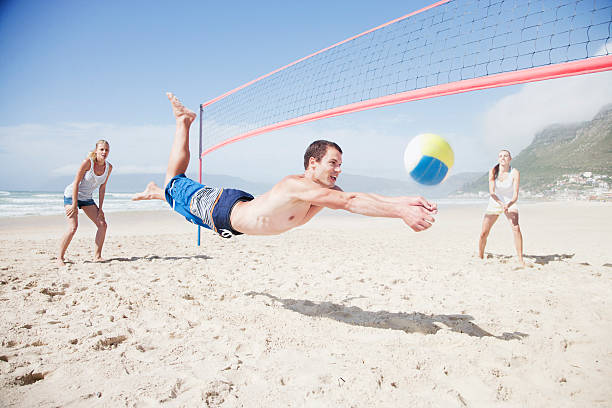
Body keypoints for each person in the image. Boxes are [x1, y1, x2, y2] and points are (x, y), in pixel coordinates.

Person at [132, 93, 437, 237]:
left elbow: (358, 198)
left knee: (177, 203)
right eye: (332, 163)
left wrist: (404, 201)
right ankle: (182, 123)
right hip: (221, 210)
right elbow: (349, 202)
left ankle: (157, 193)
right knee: (175, 179)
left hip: (231, 219)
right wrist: (400, 212)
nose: (338, 170)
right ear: (312, 163)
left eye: (340, 164)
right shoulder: (297, 185)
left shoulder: (321, 192)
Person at [58, 140, 113, 265]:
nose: (104, 152)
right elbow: (76, 183)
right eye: (102, 149)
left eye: (107, 150)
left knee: (102, 224)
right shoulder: (88, 163)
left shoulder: (109, 168)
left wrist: (100, 209)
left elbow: (102, 188)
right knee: (73, 227)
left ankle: (97, 256)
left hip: (87, 198)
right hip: (72, 195)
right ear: (96, 150)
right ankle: (60, 258)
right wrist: (73, 204)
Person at [478, 149, 524, 265]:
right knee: (484, 232)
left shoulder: (515, 172)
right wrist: (500, 203)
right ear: (498, 159)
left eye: (505, 156)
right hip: (495, 202)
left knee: (516, 228)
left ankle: (520, 259)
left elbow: (515, 195)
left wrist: (508, 205)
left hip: (510, 202)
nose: (503, 158)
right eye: (500, 156)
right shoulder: (493, 171)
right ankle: (480, 256)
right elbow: (492, 192)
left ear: (510, 159)